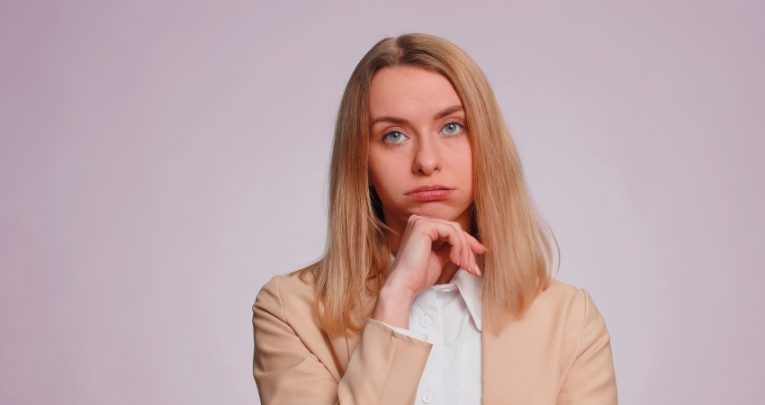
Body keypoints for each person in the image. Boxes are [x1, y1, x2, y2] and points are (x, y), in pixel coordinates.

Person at [252, 33, 617, 404]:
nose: (426, 161)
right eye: (394, 135)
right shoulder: (290, 312)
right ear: (360, 160)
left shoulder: (569, 320)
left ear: (485, 143)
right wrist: (395, 299)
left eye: (451, 127)